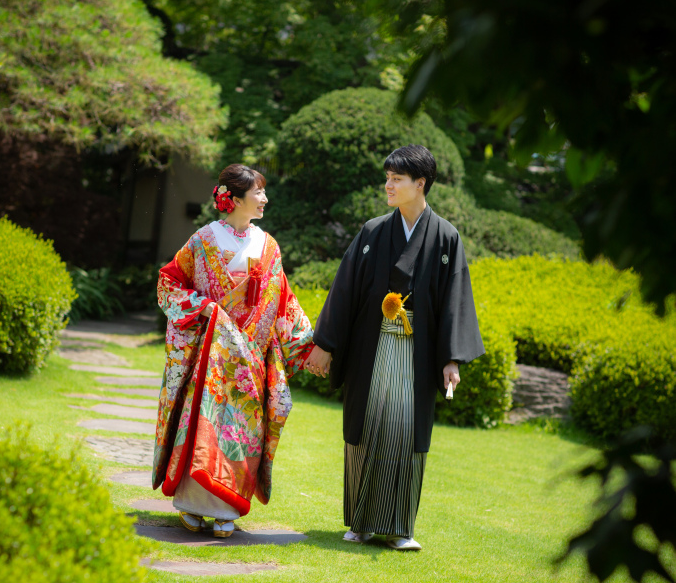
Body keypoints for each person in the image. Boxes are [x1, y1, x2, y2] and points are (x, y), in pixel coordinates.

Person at [304, 144, 484, 550]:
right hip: (372, 347)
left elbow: (455, 297)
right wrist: (325, 344)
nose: (388, 184)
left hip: (415, 352)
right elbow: (345, 290)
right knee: (366, 429)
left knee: (406, 435)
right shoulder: (372, 232)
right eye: (387, 177)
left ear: (420, 184)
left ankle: (401, 528)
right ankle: (362, 522)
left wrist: (451, 358)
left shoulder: (445, 237)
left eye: (397, 178)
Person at [152, 164, 314, 538]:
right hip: (211, 353)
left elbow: (283, 299)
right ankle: (193, 503)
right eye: (258, 192)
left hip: (251, 356)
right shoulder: (203, 240)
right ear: (235, 198)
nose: (264, 199)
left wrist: (309, 343)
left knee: (241, 429)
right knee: (204, 421)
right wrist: (205, 308)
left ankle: (226, 507)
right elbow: (169, 282)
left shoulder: (268, 245)